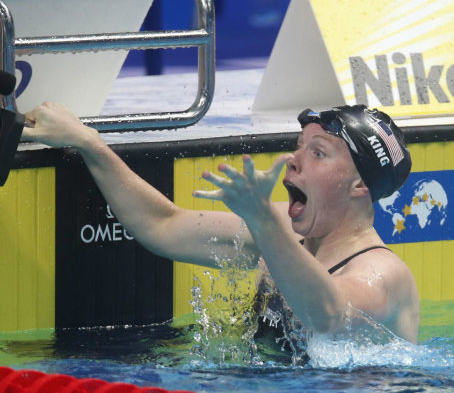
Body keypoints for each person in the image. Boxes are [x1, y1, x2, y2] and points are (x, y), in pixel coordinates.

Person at [22, 102, 420, 343]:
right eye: (299, 146)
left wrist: (263, 221)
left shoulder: (382, 274)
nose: (294, 159)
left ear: (359, 186)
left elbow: (327, 316)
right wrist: (88, 141)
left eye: (318, 153)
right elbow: (162, 225)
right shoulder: (281, 228)